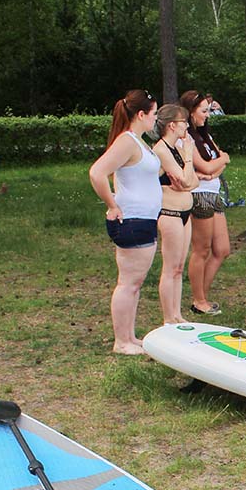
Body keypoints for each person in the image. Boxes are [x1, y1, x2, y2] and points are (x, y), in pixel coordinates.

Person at [88, 89, 161, 355]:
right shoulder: (127, 141)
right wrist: (112, 204)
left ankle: (129, 336)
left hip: (144, 218)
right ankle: (121, 341)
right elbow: (97, 172)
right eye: (153, 114)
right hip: (132, 219)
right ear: (141, 114)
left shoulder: (139, 143)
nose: (155, 119)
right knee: (128, 282)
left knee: (135, 283)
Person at [179, 90, 232, 316]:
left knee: (222, 249)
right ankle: (199, 300)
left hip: (213, 193)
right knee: (201, 249)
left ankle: (202, 296)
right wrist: (213, 168)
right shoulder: (187, 138)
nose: (207, 115)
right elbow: (208, 165)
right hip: (199, 196)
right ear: (191, 113)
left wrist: (213, 171)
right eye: (203, 111)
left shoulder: (206, 136)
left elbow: (223, 159)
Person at [152, 104, 198, 325]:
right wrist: (189, 157)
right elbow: (187, 178)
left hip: (185, 211)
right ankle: (168, 317)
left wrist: (186, 177)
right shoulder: (162, 149)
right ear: (172, 125)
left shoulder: (177, 149)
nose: (187, 126)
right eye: (184, 122)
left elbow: (192, 181)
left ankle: (177, 313)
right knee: (170, 266)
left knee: (179, 267)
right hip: (170, 212)